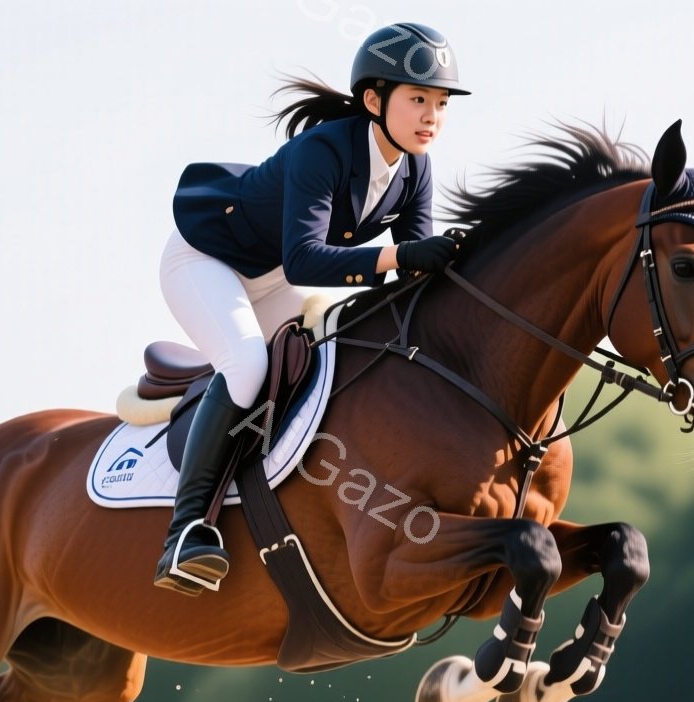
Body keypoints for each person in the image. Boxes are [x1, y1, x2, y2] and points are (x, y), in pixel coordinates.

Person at [152, 22, 470, 596]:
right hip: (205, 261)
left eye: (441, 104)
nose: (432, 116)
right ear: (374, 101)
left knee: (325, 361)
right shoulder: (324, 151)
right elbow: (305, 260)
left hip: (270, 279)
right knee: (249, 366)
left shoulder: (415, 168)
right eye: (418, 99)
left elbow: (410, 273)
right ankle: (185, 530)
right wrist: (400, 254)